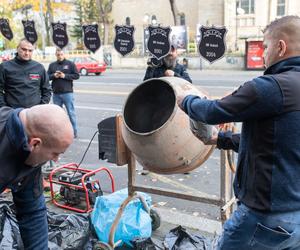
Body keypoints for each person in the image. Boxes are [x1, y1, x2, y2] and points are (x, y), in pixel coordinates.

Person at [177, 15, 300, 249]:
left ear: (280, 47)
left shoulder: (271, 87)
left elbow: (212, 112)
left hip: (264, 218)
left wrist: (186, 100)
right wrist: (221, 139)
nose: (263, 54)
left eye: (265, 47)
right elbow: (278, 141)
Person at [0, 104, 73, 250]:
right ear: (35, 143)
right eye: (55, 153)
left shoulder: (30, 151)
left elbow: (32, 211)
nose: (56, 160)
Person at [0, 38, 51, 108]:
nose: (27, 53)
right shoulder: (5, 67)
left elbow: (47, 90)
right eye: (24, 49)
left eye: (30, 50)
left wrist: (41, 107)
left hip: (34, 112)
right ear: (17, 48)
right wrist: (4, 108)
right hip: (12, 112)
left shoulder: (39, 67)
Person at [47, 48, 80, 138]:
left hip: (67, 93)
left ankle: (74, 132)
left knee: (71, 113)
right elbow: (46, 77)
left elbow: (77, 76)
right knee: (57, 115)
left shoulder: (70, 64)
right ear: (56, 55)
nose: (60, 56)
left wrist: (64, 75)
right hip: (56, 93)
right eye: (58, 55)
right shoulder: (52, 65)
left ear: (64, 54)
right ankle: (59, 132)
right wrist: (54, 75)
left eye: (61, 54)